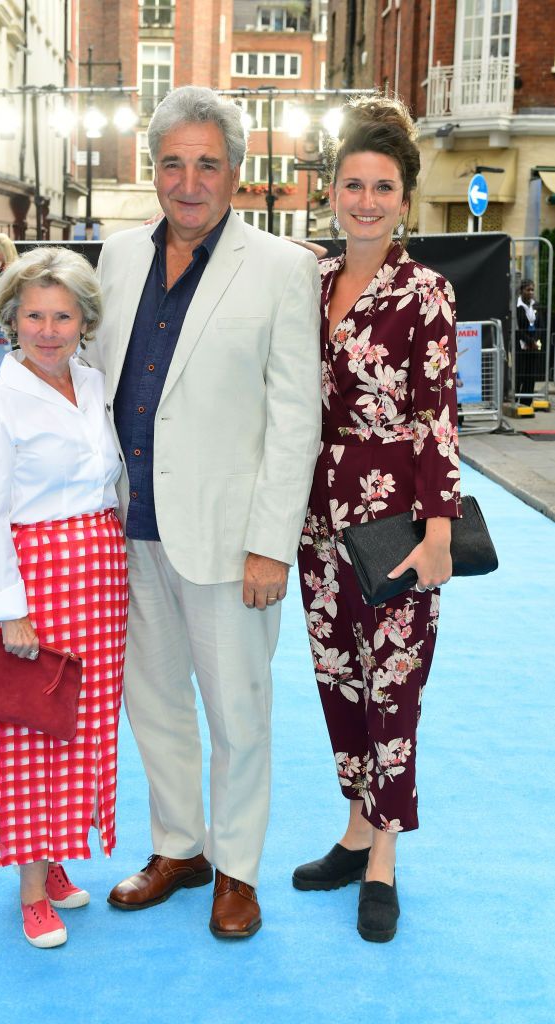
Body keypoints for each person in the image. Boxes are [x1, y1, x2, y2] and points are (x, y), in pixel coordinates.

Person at [87, 85, 321, 939]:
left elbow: (296, 418)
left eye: (207, 164)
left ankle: (237, 870)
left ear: (236, 171)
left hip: (229, 542)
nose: (189, 182)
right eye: (173, 162)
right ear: (153, 168)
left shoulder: (282, 267)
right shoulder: (114, 257)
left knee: (237, 712)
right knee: (151, 703)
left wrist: (270, 545)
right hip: (127, 525)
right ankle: (178, 847)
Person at [293, 96, 462, 943]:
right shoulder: (312, 281)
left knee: (393, 687)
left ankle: (385, 856)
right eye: (351, 185)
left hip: (395, 518)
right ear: (331, 191)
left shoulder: (424, 291)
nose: (365, 200)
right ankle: (353, 831)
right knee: (338, 681)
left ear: (404, 199)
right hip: (316, 520)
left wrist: (439, 530)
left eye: (382, 187)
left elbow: (437, 417)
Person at [0, 246, 128, 949]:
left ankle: (56, 856)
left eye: (63, 316)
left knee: (84, 728)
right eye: (35, 315)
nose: (49, 330)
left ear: (84, 321)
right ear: (11, 319)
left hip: (100, 576)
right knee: (30, 732)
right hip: (37, 580)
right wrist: (8, 609)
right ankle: (31, 890)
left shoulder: (92, 385)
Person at [515, 278, 543, 406]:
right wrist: (528, 341)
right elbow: (517, 328)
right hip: (521, 346)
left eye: (532, 289)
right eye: (528, 290)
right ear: (521, 291)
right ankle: (515, 400)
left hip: (533, 346)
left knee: (531, 375)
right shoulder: (517, 307)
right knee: (520, 374)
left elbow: (541, 325)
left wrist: (535, 341)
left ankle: (527, 402)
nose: (531, 292)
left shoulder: (536, 305)